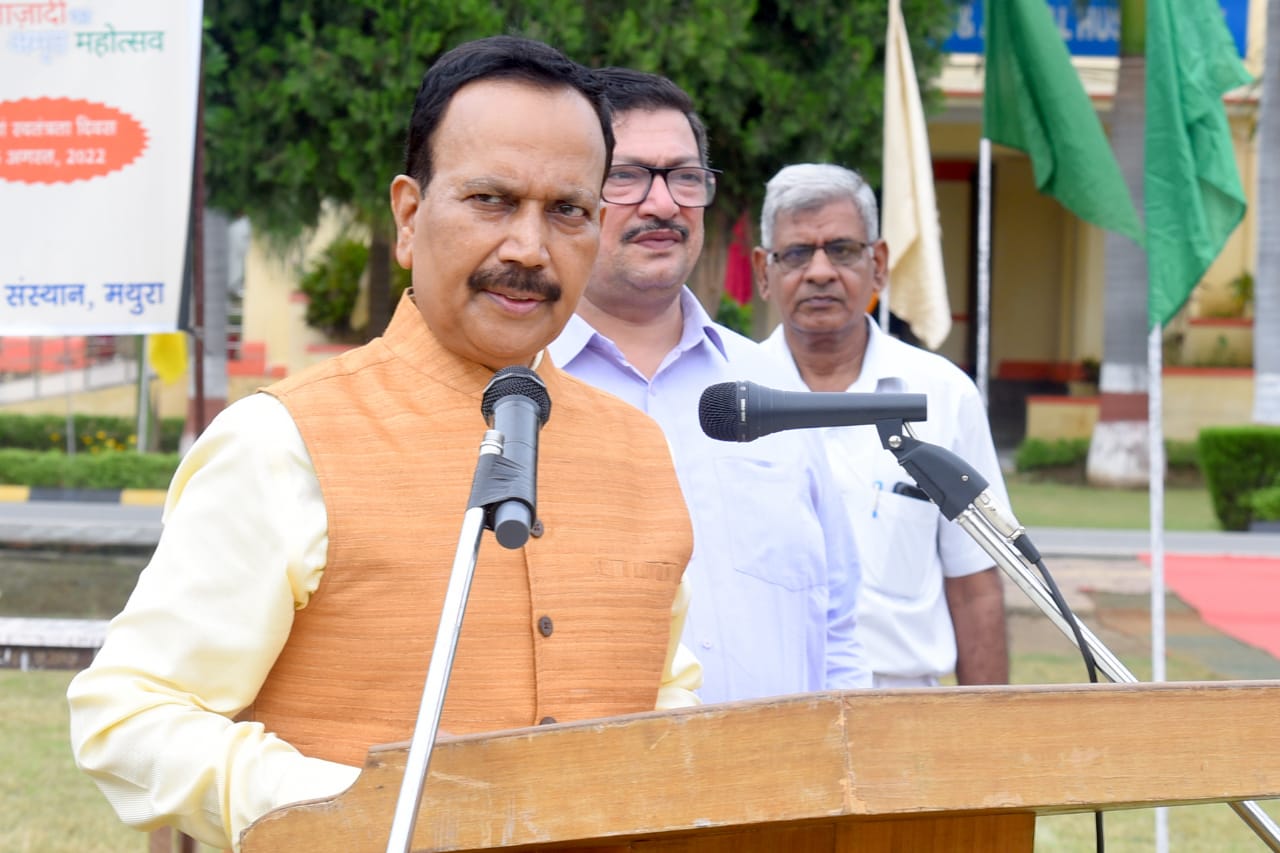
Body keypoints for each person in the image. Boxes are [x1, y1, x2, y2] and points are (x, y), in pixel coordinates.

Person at [67, 36, 701, 851]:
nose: (529, 249)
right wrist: (361, 811)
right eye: (491, 200)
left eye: (567, 211)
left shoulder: (641, 453)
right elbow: (130, 713)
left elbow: (669, 700)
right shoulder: (284, 440)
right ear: (408, 216)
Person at [548, 68, 869, 704]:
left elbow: (836, 623)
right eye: (629, 175)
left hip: (783, 788)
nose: (663, 204)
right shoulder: (519, 393)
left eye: (685, 178)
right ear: (574, 196)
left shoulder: (771, 387)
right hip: (598, 789)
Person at [753, 162, 1010, 687]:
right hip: (763, 709)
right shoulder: (732, 399)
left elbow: (975, 584)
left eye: (842, 250)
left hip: (902, 708)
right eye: (797, 253)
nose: (820, 272)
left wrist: (989, 745)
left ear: (880, 264)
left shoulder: (942, 395)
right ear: (764, 272)